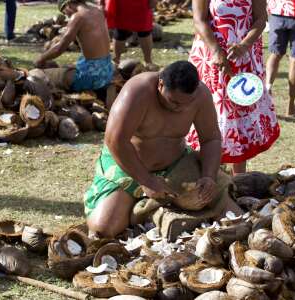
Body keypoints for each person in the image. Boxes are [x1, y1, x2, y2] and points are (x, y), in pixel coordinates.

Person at [84, 61, 223, 238]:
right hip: (128, 167)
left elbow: (211, 138)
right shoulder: (137, 91)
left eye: (185, 104)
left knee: (224, 206)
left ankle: (148, 210)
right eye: (173, 101)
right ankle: (142, 207)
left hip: (176, 166)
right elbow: (115, 140)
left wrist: (209, 176)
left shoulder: (201, 95)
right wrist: (147, 180)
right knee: (103, 228)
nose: (179, 108)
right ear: (160, 84)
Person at [188, 0, 280, 175]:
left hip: (244, 59)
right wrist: (216, 51)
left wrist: (245, 45)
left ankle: (239, 177)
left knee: (239, 113)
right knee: (207, 112)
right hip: (211, 58)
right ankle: (205, 174)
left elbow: (261, 19)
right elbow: (199, 20)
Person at [34, 0, 113, 93]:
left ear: (68, 5)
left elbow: (60, 48)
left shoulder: (78, 17)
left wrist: (40, 59)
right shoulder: (98, 11)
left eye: (64, 12)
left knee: (43, 75)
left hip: (91, 77)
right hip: (107, 72)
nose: (67, 16)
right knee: (63, 67)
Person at [100, 0, 157, 68]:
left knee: (144, 31)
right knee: (120, 30)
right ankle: (116, 61)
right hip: (121, 3)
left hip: (141, 4)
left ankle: (148, 61)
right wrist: (102, 3)